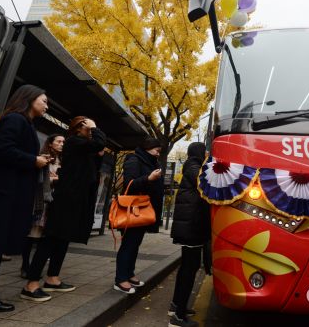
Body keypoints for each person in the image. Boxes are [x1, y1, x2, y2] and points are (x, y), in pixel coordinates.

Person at [0, 85, 49, 324]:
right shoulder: (15, 120)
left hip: (4, 197)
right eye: (44, 100)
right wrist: (33, 160)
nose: (47, 105)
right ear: (29, 99)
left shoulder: (25, 123)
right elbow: (2, 150)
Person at [21, 116, 106, 302]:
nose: (91, 129)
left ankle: (52, 278)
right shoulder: (74, 142)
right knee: (51, 238)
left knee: (63, 239)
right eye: (88, 125)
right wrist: (95, 127)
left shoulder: (83, 147)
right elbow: (99, 143)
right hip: (66, 198)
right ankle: (31, 284)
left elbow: (93, 169)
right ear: (79, 127)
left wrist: (98, 154)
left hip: (76, 199)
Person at [113, 137, 164, 294]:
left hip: (142, 210)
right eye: (157, 150)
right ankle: (120, 279)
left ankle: (129, 273)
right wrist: (149, 178)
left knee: (135, 244)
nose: (158, 154)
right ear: (148, 148)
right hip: (132, 210)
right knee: (129, 244)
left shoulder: (151, 161)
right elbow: (130, 184)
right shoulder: (134, 160)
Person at [168, 142, 210, 327]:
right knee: (189, 270)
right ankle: (178, 318)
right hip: (192, 228)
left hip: (190, 227)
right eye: (205, 150)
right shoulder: (194, 166)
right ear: (199, 153)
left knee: (187, 268)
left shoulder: (192, 165)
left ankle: (177, 306)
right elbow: (204, 183)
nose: (207, 153)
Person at [21, 134, 65, 279]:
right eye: (58, 141)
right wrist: (53, 179)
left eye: (63, 142)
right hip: (40, 200)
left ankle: (34, 266)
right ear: (50, 143)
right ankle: (25, 266)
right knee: (32, 233)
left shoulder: (64, 160)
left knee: (44, 236)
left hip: (54, 201)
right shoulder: (43, 157)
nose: (61, 144)